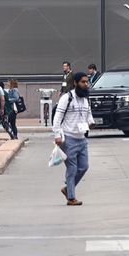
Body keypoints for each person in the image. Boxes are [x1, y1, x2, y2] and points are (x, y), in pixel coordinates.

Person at [53, 72, 94, 206]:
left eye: (87, 82)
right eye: (83, 82)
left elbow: (88, 114)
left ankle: (67, 188)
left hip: (82, 138)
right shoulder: (67, 98)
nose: (86, 84)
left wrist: (91, 122)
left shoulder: (86, 98)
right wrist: (57, 135)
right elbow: (58, 117)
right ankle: (71, 197)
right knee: (72, 168)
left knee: (84, 167)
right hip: (68, 138)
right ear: (76, 83)